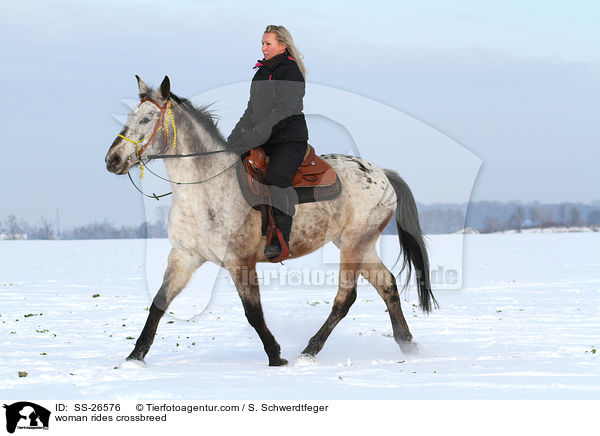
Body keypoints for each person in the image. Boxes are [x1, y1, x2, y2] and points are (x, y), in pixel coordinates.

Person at [227, 25, 308, 260]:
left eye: (268, 44)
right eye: (262, 44)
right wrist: (233, 140)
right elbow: (251, 109)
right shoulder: (261, 72)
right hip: (264, 137)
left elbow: (283, 111)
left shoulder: (291, 71)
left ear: (282, 45)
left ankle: (280, 238)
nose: (263, 48)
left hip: (289, 139)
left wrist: (254, 136)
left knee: (275, 178)